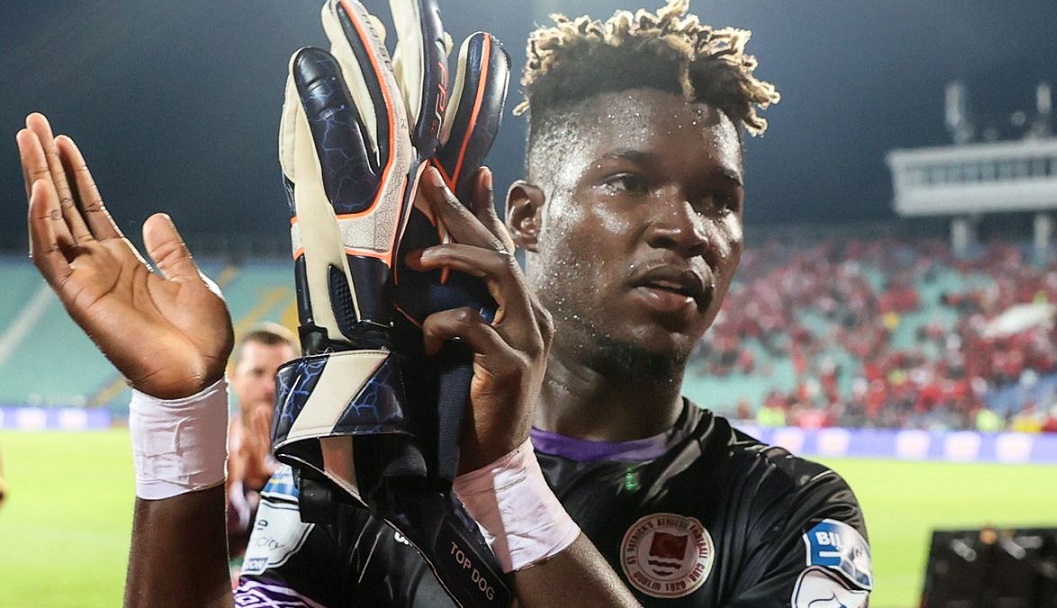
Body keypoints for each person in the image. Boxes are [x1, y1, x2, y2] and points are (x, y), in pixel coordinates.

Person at [17, 1, 872, 606]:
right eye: (628, 182)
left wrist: (502, 485)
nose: (683, 228)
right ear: (526, 216)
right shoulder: (382, 472)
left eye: (719, 199)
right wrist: (179, 411)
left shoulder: (793, 511)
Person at [223, 324, 299, 578]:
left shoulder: (310, 454)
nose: (269, 386)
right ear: (234, 377)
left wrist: (263, 486)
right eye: (257, 373)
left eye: (281, 375)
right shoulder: (213, 447)